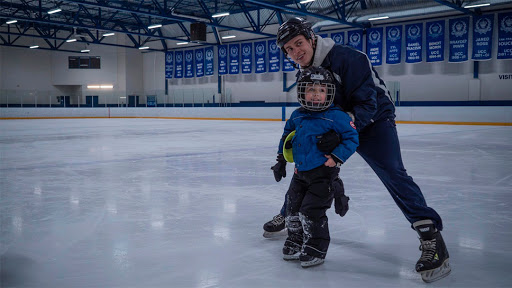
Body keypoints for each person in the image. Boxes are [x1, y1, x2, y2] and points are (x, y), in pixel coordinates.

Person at [265, 17, 450, 282]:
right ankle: (289, 215)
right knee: (306, 167)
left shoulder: (349, 59)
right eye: (289, 49)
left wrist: (339, 133)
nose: (296, 52)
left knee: (393, 174)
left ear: (311, 39)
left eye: (298, 43)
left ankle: (432, 238)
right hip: (335, 128)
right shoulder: (303, 71)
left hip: (374, 123)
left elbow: (367, 103)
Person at [271, 66, 359, 268]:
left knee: (311, 211)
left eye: (321, 90)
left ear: (329, 93)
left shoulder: (337, 116)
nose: (316, 95)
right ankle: (295, 239)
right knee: (292, 209)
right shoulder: (297, 116)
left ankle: (316, 247)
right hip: (299, 172)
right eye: (311, 89)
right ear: (302, 91)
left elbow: (352, 138)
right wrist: (281, 161)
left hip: (323, 174)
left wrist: (337, 157)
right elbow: (287, 138)